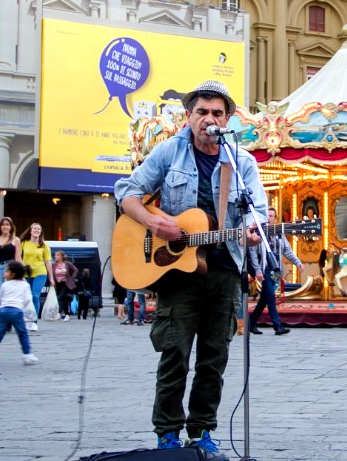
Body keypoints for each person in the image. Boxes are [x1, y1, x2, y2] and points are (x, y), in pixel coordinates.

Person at [115, 79, 265, 459]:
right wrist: (155, 224)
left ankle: (202, 431)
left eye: (217, 112)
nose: (209, 119)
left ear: (228, 118)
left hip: (224, 270)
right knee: (174, 355)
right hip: (176, 274)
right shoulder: (169, 152)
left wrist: (253, 232)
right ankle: (167, 432)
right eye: (202, 112)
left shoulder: (241, 161)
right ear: (190, 115)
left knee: (213, 359)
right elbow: (127, 193)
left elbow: (259, 214)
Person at [248, 206, 304, 336]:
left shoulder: (279, 233)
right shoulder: (258, 232)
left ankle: (251, 322)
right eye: (266, 216)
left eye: (271, 216)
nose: (268, 218)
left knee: (265, 298)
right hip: (264, 268)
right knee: (271, 296)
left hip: (276, 269)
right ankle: (277, 326)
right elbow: (253, 254)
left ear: (275, 219)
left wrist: (298, 263)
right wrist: (257, 270)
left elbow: (287, 251)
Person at [0, 260, 38, 367]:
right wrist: (21, 305)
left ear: (12, 274)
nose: (4, 273)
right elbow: (28, 299)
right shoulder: (25, 285)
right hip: (17, 311)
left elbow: (0, 298)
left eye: (6, 271)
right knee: (22, 333)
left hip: (3, 311)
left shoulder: (5, 284)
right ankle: (27, 355)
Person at [20, 222, 54, 329]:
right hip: (26, 273)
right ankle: (27, 319)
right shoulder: (23, 243)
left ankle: (34, 321)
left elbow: (48, 262)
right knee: (27, 297)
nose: (36, 230)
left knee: (35, 295)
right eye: (34, 228)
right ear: (30, 231)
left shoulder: (44, 246)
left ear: (40, 232)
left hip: (40, 272)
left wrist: (51, 278)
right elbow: (18, 257)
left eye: (38, 229)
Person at [0, 217, 22, 293]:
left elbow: (18, 258)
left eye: (7, 224)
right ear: (0, 227)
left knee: (9, 293)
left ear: (11, 227)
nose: (5, 226)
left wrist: (22, 272)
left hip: (10, 269)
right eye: (2, 225)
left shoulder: (16, 240)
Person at [52, 250, 78, 321]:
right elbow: (52, 273)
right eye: (55, 255)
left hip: (66, 284)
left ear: (61, 256)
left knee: (60, 298)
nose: (55, 256)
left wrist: (71, 278)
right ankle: (67, 314)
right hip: (58, 284)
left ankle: (59, 313)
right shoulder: (54, 265)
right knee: (64, 300)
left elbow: (76, 270)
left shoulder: (67, 264)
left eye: (57, 255)